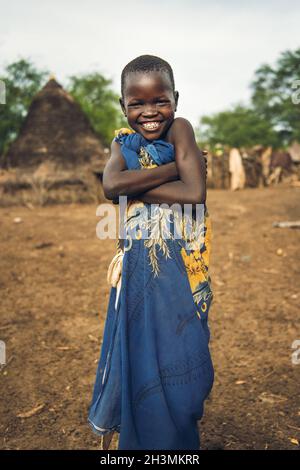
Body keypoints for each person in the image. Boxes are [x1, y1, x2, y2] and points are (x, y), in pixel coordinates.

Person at [88, 55, 214, 450]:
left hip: (181, 267)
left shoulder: (181, 129)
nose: (149, 113)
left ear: (175, 98)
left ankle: (179, 443)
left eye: (159, 100)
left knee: (185, 351)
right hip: (138, 269)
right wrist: (174, 170)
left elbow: (194, 193)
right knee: (141, 355)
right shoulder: (120, 142)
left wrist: (132, 183)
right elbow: (111, 187)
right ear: (122, 105)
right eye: (136, 104)